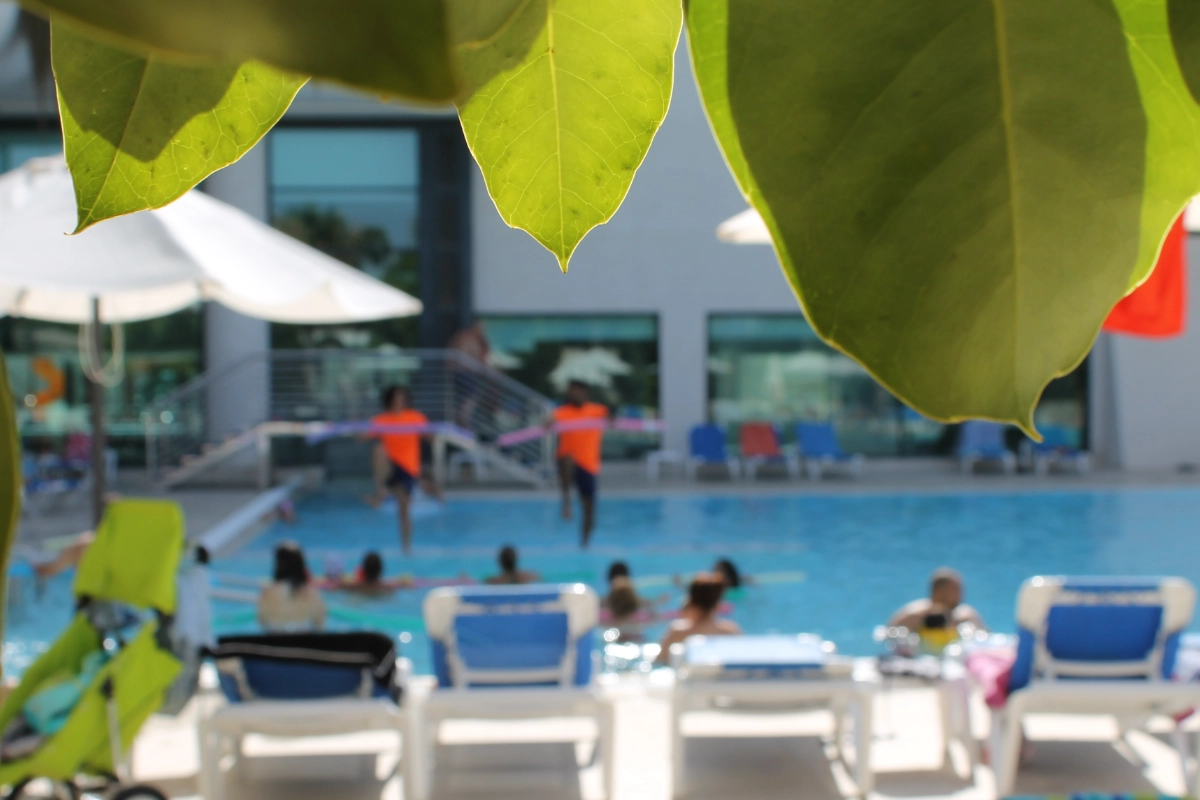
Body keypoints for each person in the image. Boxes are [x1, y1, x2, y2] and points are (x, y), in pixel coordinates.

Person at [368, 385, 440, 555]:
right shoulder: (381, 419)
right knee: (378, 450)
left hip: (408, 469)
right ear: (390, 399)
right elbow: (363, 436)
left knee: (404, 509)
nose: (399, 400)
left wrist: (436, 431)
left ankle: (406, 547)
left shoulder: (415, 417)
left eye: (401, 397)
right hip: (390, 465)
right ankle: (381, 490)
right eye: (396, 397)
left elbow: (430, 437)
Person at [551, 380, 610, 548]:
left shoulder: (596, 411)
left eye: (578, 391)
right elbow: (548, 421)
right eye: (572, 391)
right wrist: (547, 423)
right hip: (567, 463)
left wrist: (611, 418)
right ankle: (567, 503)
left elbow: (611, 418)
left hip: (588, 465)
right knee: (568, 459)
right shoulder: (562, 412)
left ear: (585, 393)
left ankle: (584, 545)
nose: (575, 394)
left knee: (590, 512)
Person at [658, 573, 741, 659]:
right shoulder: (730, 632)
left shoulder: (677, 631)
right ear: (718, 601)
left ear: (691, 601)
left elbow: (659, 660)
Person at [888, 567, 987, 636]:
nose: (961, 596)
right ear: (938, 591)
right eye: (955, 590)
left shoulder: (967, 616)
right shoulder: (912, 614)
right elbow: (888, 634)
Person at [257, 542, 326, 631]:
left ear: (278, 564)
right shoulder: (313, 593)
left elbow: (262, 622)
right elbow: (320, 625)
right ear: (301, 564)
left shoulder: (267, 593)